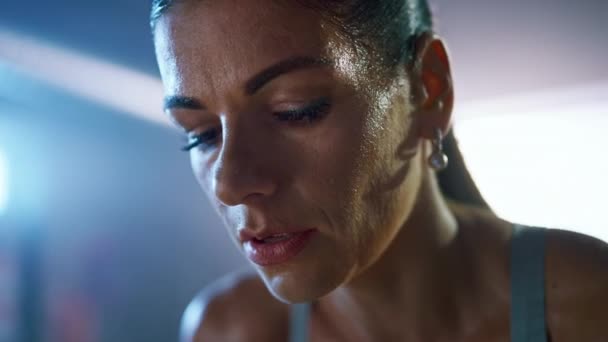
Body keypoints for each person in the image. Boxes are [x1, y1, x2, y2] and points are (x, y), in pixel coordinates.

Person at [150, 0, 608, 341]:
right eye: (202, 134)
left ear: (427, 90)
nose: (229, 184)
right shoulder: (231, 331)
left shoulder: (586, 305)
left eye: (296, 110)